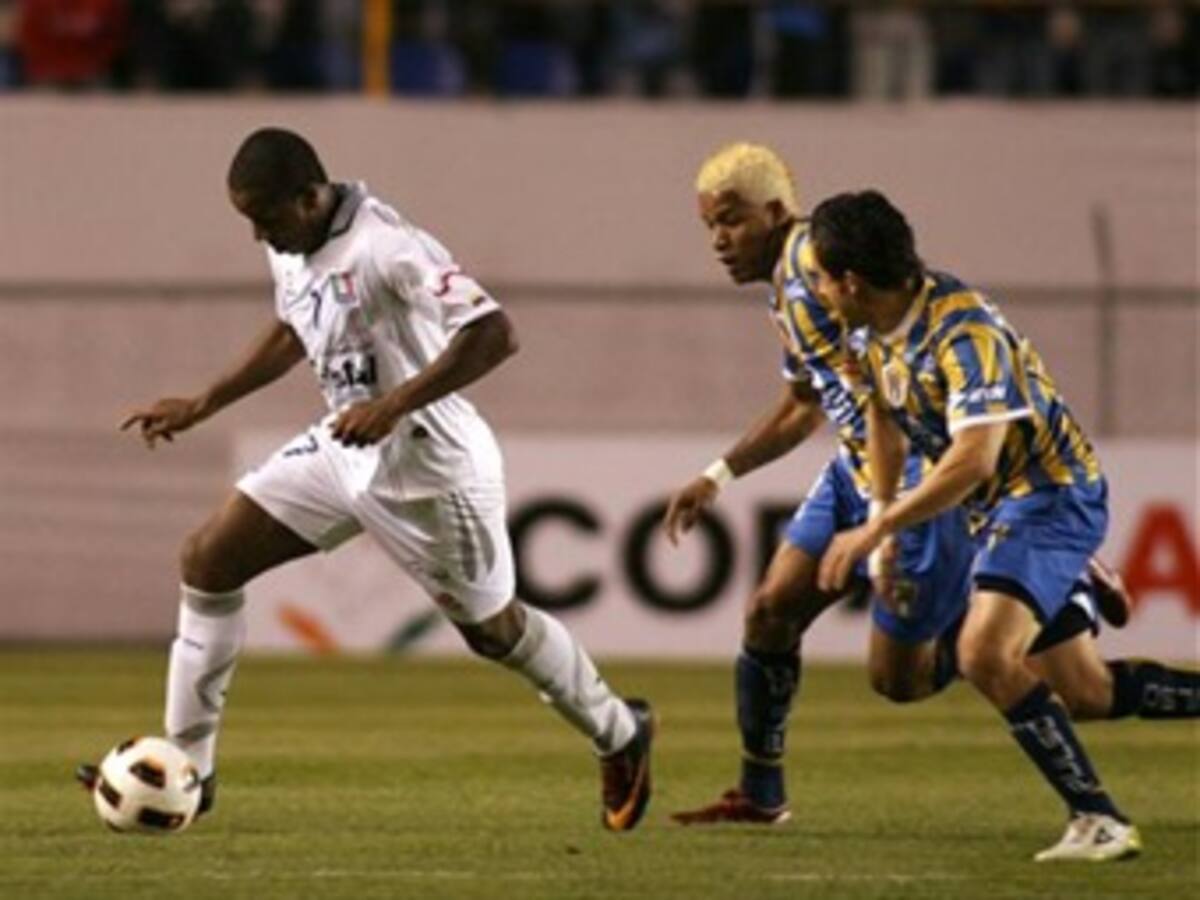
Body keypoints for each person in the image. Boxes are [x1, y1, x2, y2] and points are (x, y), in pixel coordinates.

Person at [77, 127, 654, 832]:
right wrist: (204, 402)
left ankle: (619, 730)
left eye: (265, 217)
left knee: (494, 631)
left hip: (429, 464)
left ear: (310, 196)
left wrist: (392, 404)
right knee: (208, 559)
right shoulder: (293, 244)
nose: (258, 234)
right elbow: (295, 328)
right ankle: (191, 773)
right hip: (345, 445)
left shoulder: (389, 246)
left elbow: (495, 333)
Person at [664, 143, 1140, 833]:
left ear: (775, 213)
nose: (718, 240)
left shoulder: (816, 264)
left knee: (902, 682)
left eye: (730, 221)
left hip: (920, 473)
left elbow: (921, 380)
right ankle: (761, 793)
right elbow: (806, 403)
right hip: (857, 472)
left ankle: (1060, 594)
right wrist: (720, 473)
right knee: (771, 610)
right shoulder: (788, 293)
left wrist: (892, 519)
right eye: (708, 225)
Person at [812, 189, 1200, 861]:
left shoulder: (965, 334)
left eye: (819, 277)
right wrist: (882, 515)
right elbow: (882, 416)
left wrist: (871, 533)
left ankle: (1098, 819)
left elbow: (974, 457)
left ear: (850, 280)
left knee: (983, 653)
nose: (814, 290)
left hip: (1050, 496)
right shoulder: (870, 332)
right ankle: (1073, 581)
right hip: (996, 511)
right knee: (1086, 693)